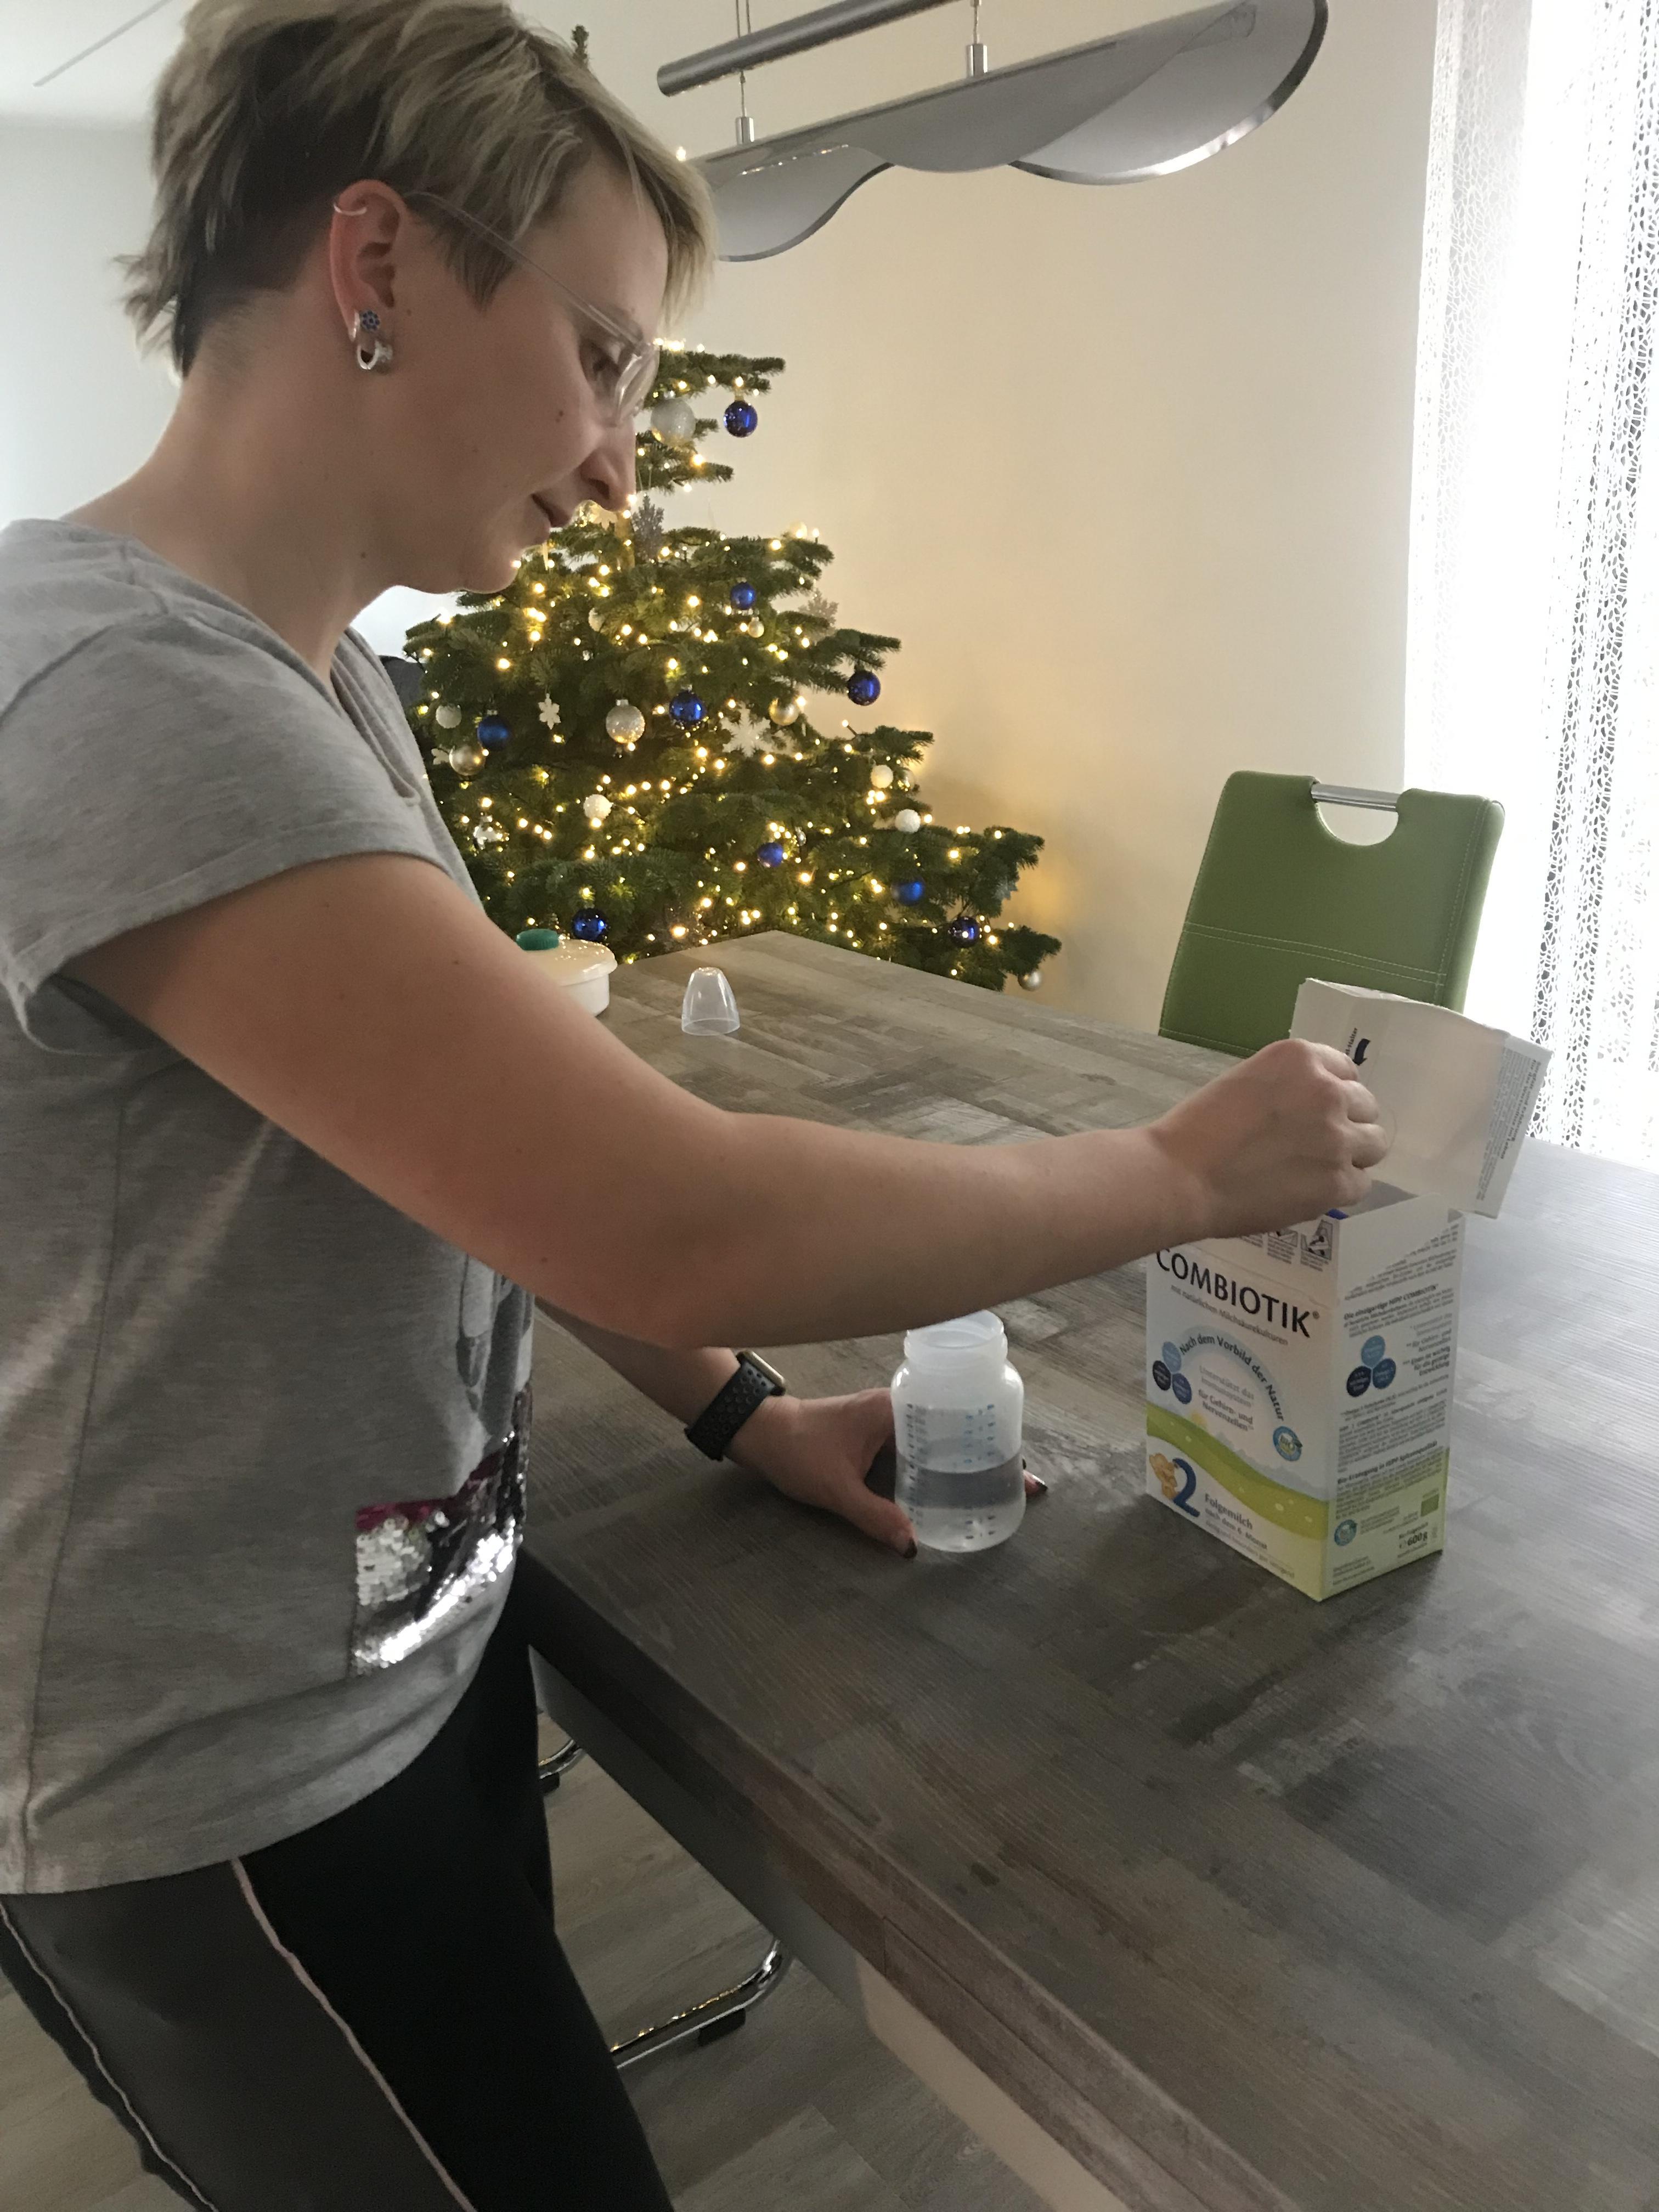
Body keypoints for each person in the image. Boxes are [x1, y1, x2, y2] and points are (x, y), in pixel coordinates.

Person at [0, 2, 1387, 2205]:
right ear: (375, 263)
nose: (618, 466)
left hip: (393, 1657)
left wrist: (743, 1412)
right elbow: (661, 1209)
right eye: (605, 359)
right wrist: (1170, 1170)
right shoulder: (127, 693)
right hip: (203, 1785)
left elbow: (489, 1172)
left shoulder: (316, 677)